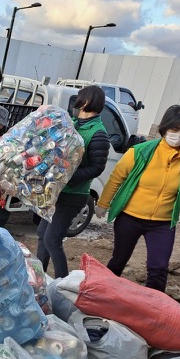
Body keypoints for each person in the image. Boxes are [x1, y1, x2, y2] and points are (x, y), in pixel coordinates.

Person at [95, 104, 180, 292]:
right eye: (174, 129)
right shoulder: (140, 152)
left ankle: (153, 310)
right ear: (165, 128)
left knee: (159, 268)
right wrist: (103, 203)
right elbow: (116, 178)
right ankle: (104, 294)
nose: (178, 135)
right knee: (118, 260)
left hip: (162, 223)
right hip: (130, 218)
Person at [36, 85, 110, 278]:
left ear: (87, 102)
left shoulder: (98, 133)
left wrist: (67, 176)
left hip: (73, 195)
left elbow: (97, 167)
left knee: (52, 239)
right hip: (55, 192)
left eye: (80, 99)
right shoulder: (74, 124)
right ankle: (38, 277)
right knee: (42, 235)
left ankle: (62, 282)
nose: (77, 103)